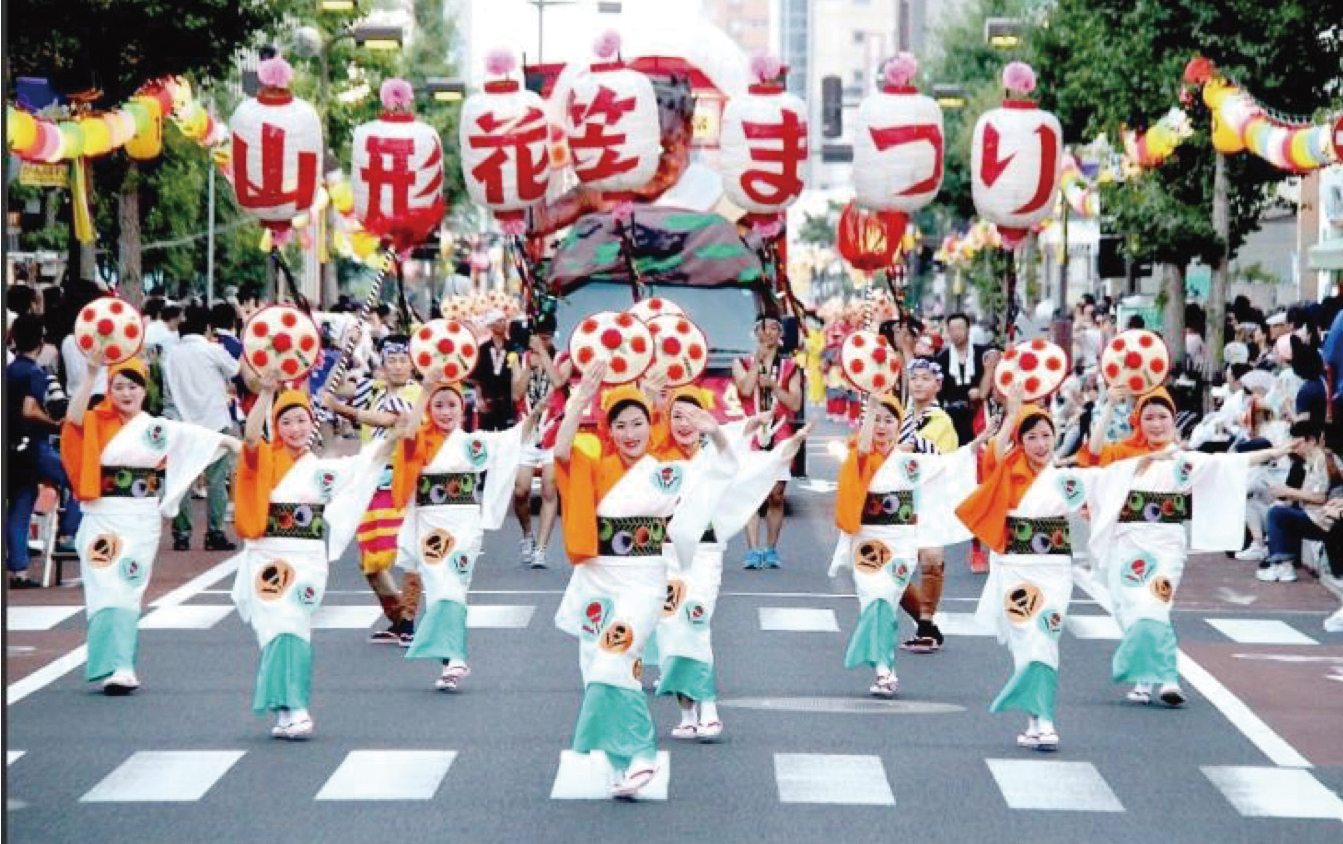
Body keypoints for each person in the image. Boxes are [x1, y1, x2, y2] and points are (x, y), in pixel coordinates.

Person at [552, 361, 733, 799]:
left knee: (615, 656)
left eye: (638, 423)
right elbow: (561, 451)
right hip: (596, 582)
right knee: (598, 671)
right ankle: (618, 764)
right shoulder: (595, 463)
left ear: (648, 426)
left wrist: (716, 431)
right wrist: (580, 398)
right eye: (620, 425)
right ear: (608, 430)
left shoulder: (665, 470)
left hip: (643, 583)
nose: (630, 432)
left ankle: (641, 754)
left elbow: (724, 466)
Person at [1081, 385, 1289, 707]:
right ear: (1138, 421)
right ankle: (1144, 678)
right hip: (1127, 544)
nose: (1156, 423)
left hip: (1165, 545)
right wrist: (1109, 403)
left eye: (1162, 417)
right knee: (1130, 610)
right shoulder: (1124, 455)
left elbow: (1227, 464)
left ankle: (1167, 679)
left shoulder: (1184, 460)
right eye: (1148, 417)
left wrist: (1274, 453)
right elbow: (1094, 451)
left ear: (1173, 421)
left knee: (1155, 606)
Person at [229, 380, 406, 740]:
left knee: (294, 625)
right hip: (268, 559)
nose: (295, 429)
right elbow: (249, 437)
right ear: (276, 427)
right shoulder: (261, 458)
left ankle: (292, 707)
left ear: (312, 425)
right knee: (277, 628)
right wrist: (266, 392)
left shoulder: (321, 470)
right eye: (286, 422)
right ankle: (288, 707)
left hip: (307, 559)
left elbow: (363, 464)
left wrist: (393, 438)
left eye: (301, 421)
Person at [61, 354, 237, 693]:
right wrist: (92, 374)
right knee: (103, 586)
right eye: (118, 387)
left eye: (133, 386)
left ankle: (122, 665)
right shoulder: (96, 419)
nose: (126, 393)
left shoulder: (155, 428)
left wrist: (231, 442)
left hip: (140, 517)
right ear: (109, 390)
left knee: (128, 588)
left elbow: (193, 436)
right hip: (103, 514)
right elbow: (73, 418)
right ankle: (109, 663)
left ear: (145, 390)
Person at [649, 386, 809, 740]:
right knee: (670, 632)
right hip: (663, 558)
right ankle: (686, 711)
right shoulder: (656, 460)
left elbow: (732, 458)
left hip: (703, 556)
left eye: (692, 417)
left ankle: (708, 706)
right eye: (677, 416)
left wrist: (724, 432)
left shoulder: (712, 456)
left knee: (694, 622)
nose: (684, 424)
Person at [957, 387, 1092, 750]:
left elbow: (1102, 489)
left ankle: (1044, 719)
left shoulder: (1065, 478)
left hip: (1055, 572)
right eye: (1031, 436)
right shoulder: (1007, 471)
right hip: (1015, 568)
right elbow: (996, 451)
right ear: (1020, 440)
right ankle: (1036, 718)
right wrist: (1013, 411)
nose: (1040, 443)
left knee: (1045, 637)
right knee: (1025, 641)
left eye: (1046, 435)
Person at [391, 370, 537, 690]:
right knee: (441, 586)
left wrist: (539, 412)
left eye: (451, 405)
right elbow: (408, 435)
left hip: (465, 525)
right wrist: (426, 391)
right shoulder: (421, 440)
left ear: (463, 409)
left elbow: (512, 439)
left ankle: (451, 660)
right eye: (438, 405)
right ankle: (453, 659)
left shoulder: (473, 444)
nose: (445, 412)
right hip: (430, 525)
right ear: (429, 407)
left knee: (453, 587)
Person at [829, 393, 978, 698]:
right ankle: (885, 668)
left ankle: (883, 665)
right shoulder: (860, 455)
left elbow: (949, 465)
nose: (882, 426)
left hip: (901, 545)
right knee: (875, 598)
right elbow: (865, 445)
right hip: (868, 543)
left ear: (900, 427)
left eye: (888, 420)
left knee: (887, 597)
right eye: (876, 419)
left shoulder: (910, 463)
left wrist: (980, 442)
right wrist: (869, 410)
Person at [326, 335, 423, 645]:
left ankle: (408, 618)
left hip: (402, 479)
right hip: (369, 480)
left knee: (406, 553)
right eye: (391, 360)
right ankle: (399, 621)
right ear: (382, 363)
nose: (397, 366)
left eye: (402, 359)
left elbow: (390, 420)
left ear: (412, 363)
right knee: (370, 562)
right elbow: (329, 391)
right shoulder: (371, 390)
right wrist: (346, 351)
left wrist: (342, 409)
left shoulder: (416, 394)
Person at [6, 315, 80, 587]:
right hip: (34, 446)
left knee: (19, 507)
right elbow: (29, 408)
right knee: (79, 479)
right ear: (41, 340)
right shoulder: (34, 373)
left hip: (12, 447)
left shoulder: (9, 370)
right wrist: (55, 422)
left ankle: (19, 570)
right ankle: (69, 534)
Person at [163, 307, 241, 551]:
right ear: (207, 328)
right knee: (217, 480)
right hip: (215, 422)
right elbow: (236, 371)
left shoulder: (171, 355)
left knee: (183, 478)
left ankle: (182, 534)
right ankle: (215, 532)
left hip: (181, 421)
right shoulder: (213, 350)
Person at [898, 358, 961, 652]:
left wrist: (914, 446)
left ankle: (925, 622)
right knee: (892, 567)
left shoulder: (941, 420)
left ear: (937, 384)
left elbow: (945, 456)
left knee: (931, 560)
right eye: (914, 378)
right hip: (900, 498)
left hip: (932, 497)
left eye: (925, 378)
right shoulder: (900, 416)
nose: (919, 383)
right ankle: (927, 623)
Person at [731, 314, 803, 569]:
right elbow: (746, 391)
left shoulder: (791, 367)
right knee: (751, 493)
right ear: (755, 334)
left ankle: (771, 549)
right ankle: (752, 550)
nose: (769, 333)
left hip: (780, 434)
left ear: (781, 333)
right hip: (751, 435)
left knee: (776, 495)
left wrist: (773, 385)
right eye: (764, 328)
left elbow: (795, 403)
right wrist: (757, 362)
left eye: (774, 328)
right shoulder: (740, 362)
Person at [511, 317, 570, 569]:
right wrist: (528, 367)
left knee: (548, 489)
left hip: (552, 431)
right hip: (527, 431)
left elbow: (559, 382)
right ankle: (527, 536)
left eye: (547, 337)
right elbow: (516, 394)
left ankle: (541, 549)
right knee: (521, 490)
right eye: (538, 337)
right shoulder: (520, 360)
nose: (542, 341)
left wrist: (544, 355)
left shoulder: (563, 358)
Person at [1261, 421, 1338, 583]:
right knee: (1280, 510)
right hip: (1318, 516)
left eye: (1298, 442)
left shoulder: (1321, 460)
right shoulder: (1311, 461)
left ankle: (1283, 564)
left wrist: (1288, 492)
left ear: (1311, 440)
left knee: (1278, 514)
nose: (1295, 447)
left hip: (1323, 518)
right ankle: (1283, 563)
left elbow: (1320, 497)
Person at [935, 313, 992, 446]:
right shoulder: (942, 358)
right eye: (952, 329)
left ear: (968, 329)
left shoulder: (982, 353)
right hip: (951, 415)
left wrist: (980, 391)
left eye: (960, 328)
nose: (956, 333)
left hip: (977, 413)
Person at [469, 310, 518, 432]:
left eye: (504, 320)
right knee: (486, 436)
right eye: (499, 321)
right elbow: (477, 379)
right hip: (488, 401)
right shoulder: (482, 349)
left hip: (508, 402)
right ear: (491, 325)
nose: (503, 323)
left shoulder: (513, 347)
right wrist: (479, 399)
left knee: (508, 436)